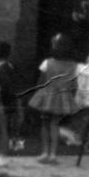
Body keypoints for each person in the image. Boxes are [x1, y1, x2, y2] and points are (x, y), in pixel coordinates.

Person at [28, 33, 79, 165]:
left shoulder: (47, 62)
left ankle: (45, 152)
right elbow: (74, 85)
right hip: (62, 97)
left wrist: (37, 94)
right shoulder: (73, 65)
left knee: (45, 124)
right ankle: (53, 154)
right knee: (55, 125)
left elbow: (41, 81)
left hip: (47, 96)